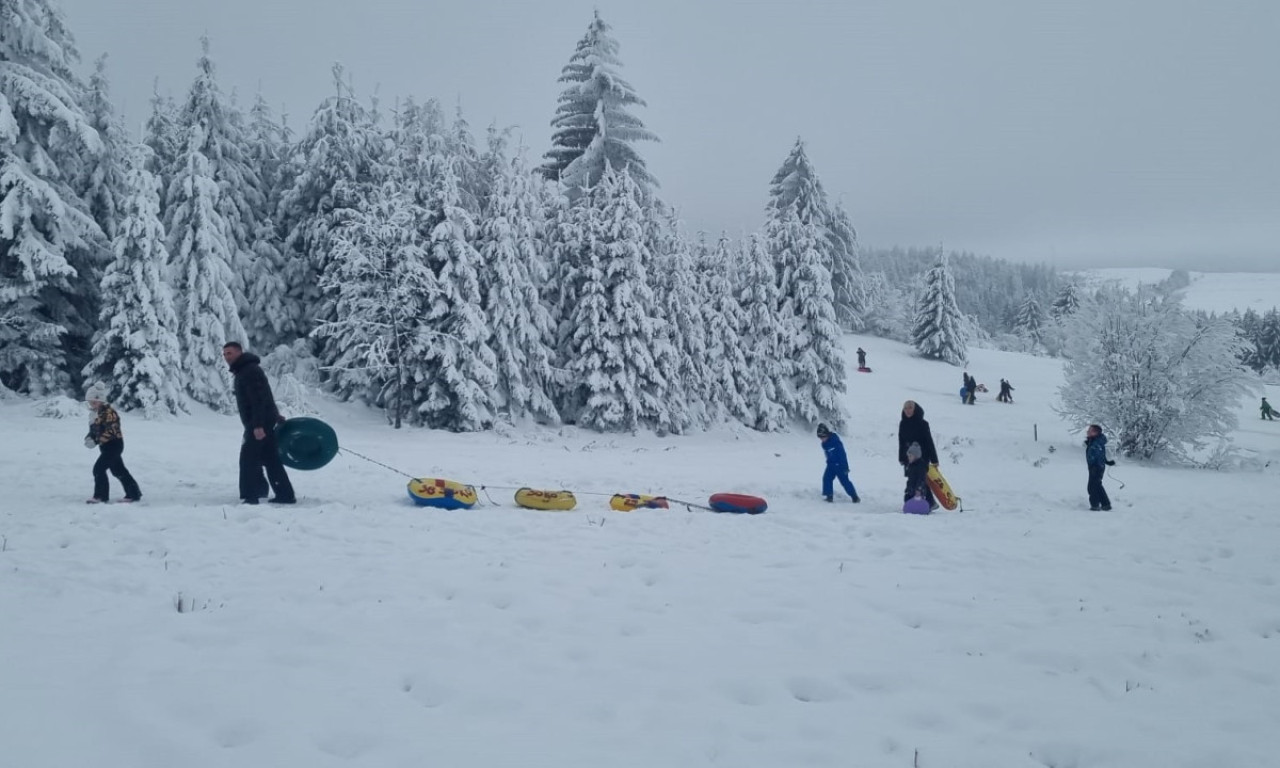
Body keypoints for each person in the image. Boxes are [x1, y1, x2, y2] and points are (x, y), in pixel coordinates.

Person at [223, 342, 295, 505]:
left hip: (258, 423)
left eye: (230, 353)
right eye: (225, 354)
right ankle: (285, 494)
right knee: (270, 458)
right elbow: (265, 395)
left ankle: (251, 496)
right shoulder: (246, 370)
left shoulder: (249, 371)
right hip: (263, 420)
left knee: (248, 458)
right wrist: (275, 415)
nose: (227, 357)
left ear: (239, 353)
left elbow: (259, 399)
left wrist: (257, 425)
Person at [84, 384, 142, 504]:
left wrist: (96, 441)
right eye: (90, 402)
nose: (91, 405)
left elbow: (110, 431)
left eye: (94, 402)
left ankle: (100, 496)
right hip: (105, 446)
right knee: (118, 470)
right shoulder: (94, 414)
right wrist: (89, 438)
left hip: (114, 445)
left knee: (98, 469)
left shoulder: (109, 412)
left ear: (100, 401)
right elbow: (94, 430)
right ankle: (133, 494)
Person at [898, 400, 939, 510]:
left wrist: (934, 459)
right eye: (906, 408)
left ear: (915, 409)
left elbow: (929, 441)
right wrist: (901, 457)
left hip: (922, 456)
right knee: (912, 479)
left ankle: (927, 502)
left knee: (921, 479)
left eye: (910, 408)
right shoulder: (903, 423)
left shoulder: (923, 423)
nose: (908, 410)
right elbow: (901, 441)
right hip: (909, 457)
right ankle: (918, 502)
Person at [816, 423, 860, 503]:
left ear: (827, 435)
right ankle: (829, 496)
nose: (821, 439)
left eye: (823, 437)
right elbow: (828, 454)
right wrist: (828, 461)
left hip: (840, 466)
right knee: (826, 478)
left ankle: (855, 497)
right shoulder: (824, 444)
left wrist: (845, 467)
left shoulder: (836, 442)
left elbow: (842, 455)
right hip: (831, 465)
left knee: (845, 482)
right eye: (820, 437)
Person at [1084, 423, 1114, 511]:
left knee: (1092, 487)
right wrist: (1107, 462)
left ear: (1095, 433)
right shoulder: (1095, 441)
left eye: (1090, 431)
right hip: (1095, 467)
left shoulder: (1096, 443)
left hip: (1096, 468)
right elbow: (1100, 454)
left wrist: (1095, 466)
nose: (1087, 432)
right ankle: (1106, 504)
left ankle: (1095, 505)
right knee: (1097, 485)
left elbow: (1097, 455)